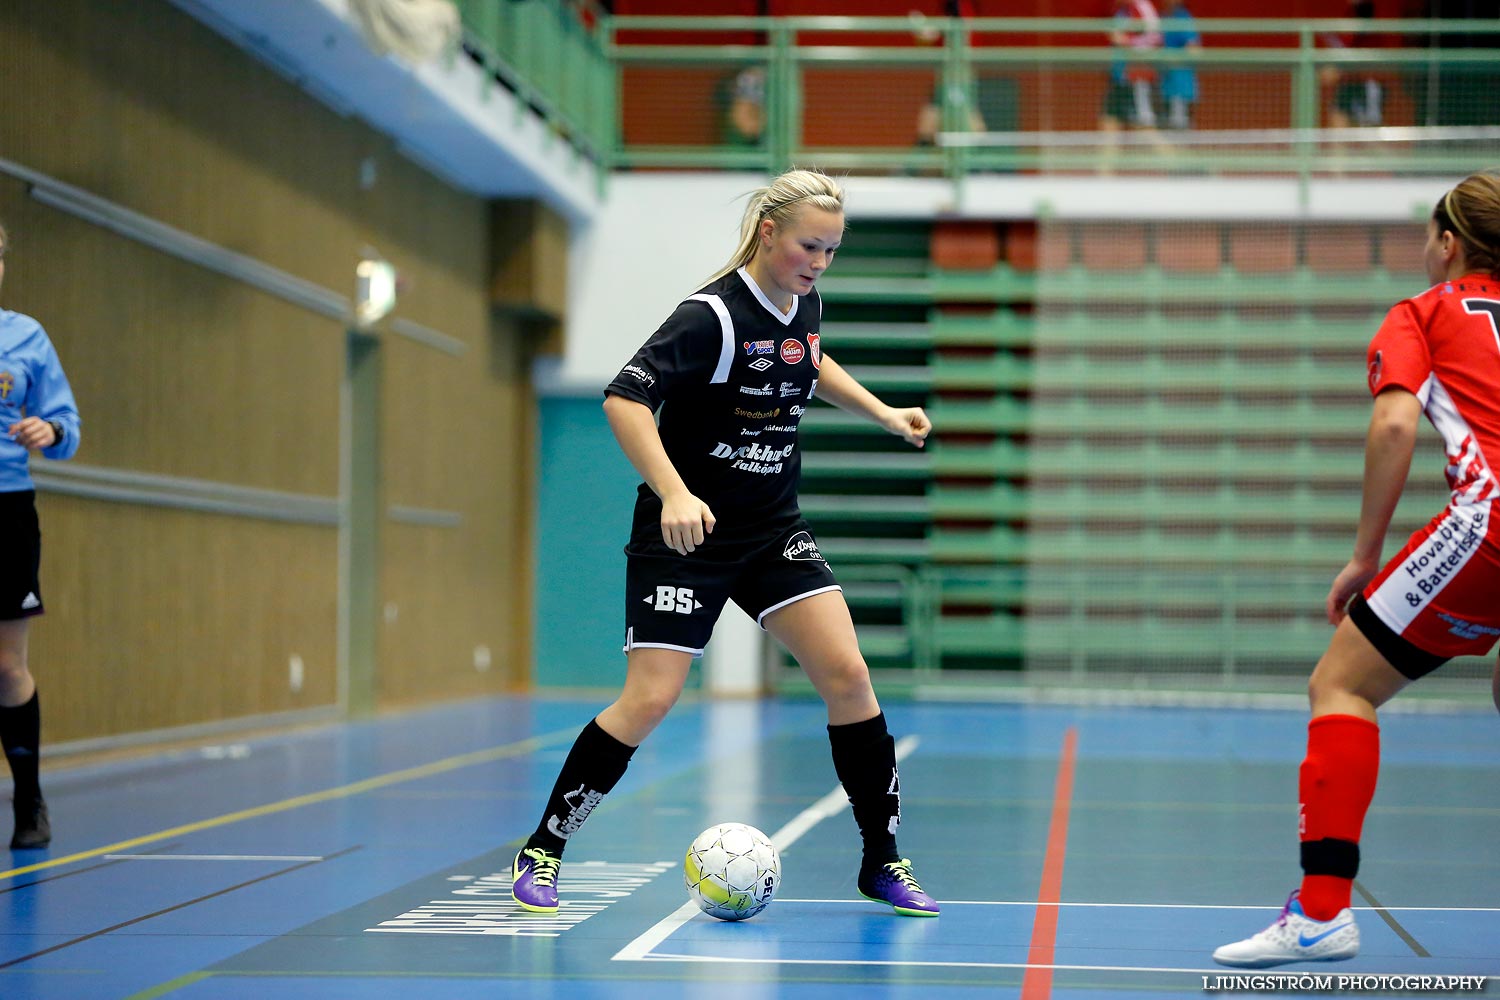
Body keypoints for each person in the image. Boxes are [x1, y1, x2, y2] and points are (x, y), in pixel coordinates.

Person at [510, 169, 940, 918]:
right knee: (651, 700)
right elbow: (625, 397)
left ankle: (882, 859)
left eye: (833, 251)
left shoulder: (803, 299)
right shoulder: (709, 316)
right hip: (689, 534)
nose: (820, 262)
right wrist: (676, 491)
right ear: (769, 232)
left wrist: (881, 412)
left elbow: (809, 359)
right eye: (811, 245)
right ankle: (544, 847)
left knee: (848, 676)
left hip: (772, 528)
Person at [1213, 171, 1500, 968]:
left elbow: (1396, 420)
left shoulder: (1425, 311)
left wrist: (1366, 554)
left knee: (1342, 685)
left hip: (1492, 523)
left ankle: (1321, 911)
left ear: (1449, 244)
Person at [0, 221, 82, 850]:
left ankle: (28, 802)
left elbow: (67, 423)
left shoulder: (26, 336)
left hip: (7, 511)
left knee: (6, 665)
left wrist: (48, 432)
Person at [1160, 0, 1201, 131]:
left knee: (1179, 128)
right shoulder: (1163, 17)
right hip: (1164, 85)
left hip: (1181, 86)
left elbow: (1194, 50)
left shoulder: (1183, 18)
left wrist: (1173, 60)